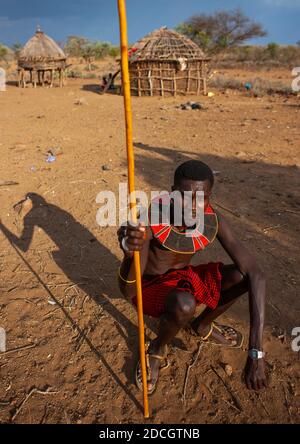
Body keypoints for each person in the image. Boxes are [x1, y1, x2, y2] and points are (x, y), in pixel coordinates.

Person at [117, 160, 268, 394]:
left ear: (209, 196)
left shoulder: (210, 218)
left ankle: (202, 324)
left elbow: (256, 274)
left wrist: (256, 351)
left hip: (182, 281)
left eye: (202, 198)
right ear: (173, 192)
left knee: (242, 276)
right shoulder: (151, 219)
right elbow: (129, 292)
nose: (193, 206)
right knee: (184, 303)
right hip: (148, 288)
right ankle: (157, 348)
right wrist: (130, 255)